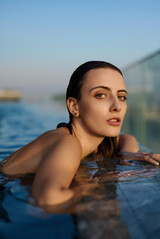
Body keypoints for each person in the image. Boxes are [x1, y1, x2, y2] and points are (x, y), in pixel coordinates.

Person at [1, 61, 160, 206]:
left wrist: (126, 154)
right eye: (101, 95)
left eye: (121, 96)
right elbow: (47, 200)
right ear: (74, 107)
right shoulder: (67, 143)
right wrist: (102, 180)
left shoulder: (95, 142)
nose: (117, 106)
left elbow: (127, 138)